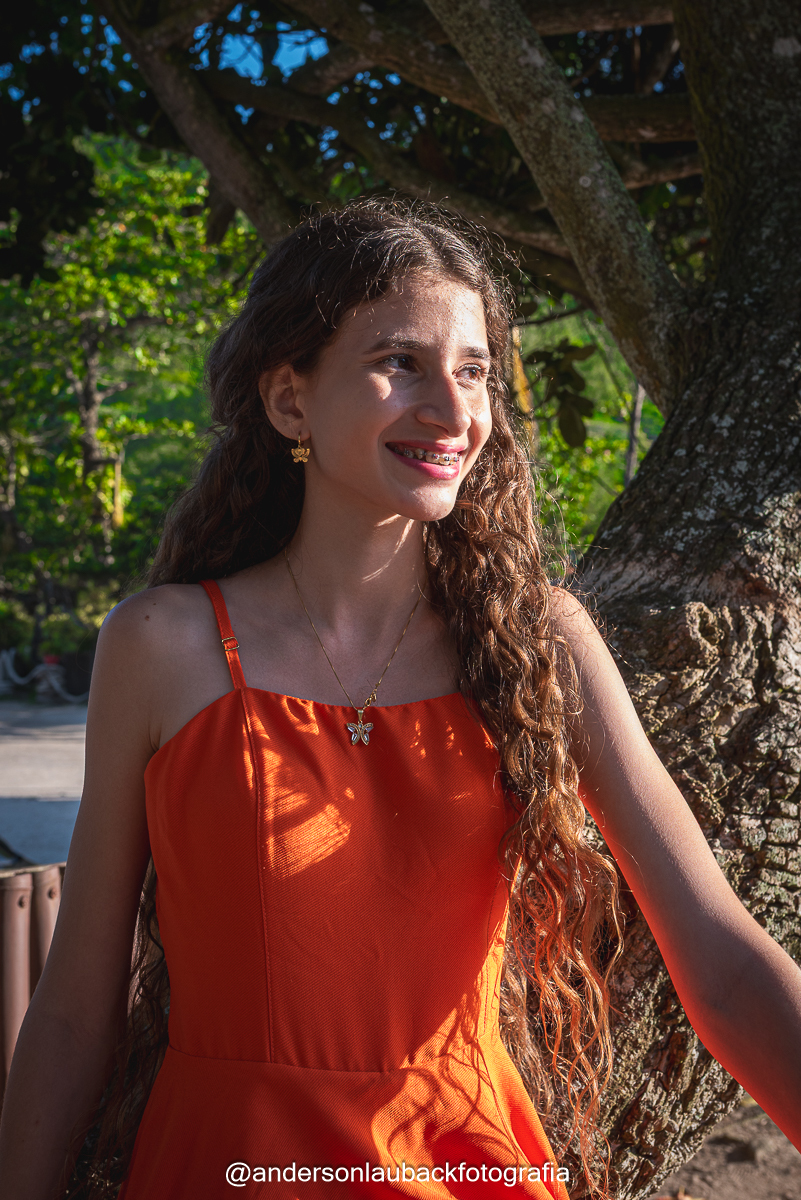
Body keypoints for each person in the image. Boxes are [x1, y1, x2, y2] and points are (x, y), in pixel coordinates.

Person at [0, 199, 799, 1200]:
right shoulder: (163, 645)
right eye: (400, 363)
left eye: (473, 371)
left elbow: (723, 964)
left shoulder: (543, 644)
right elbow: (75, 1011)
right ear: (289, 401)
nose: (454, 411)